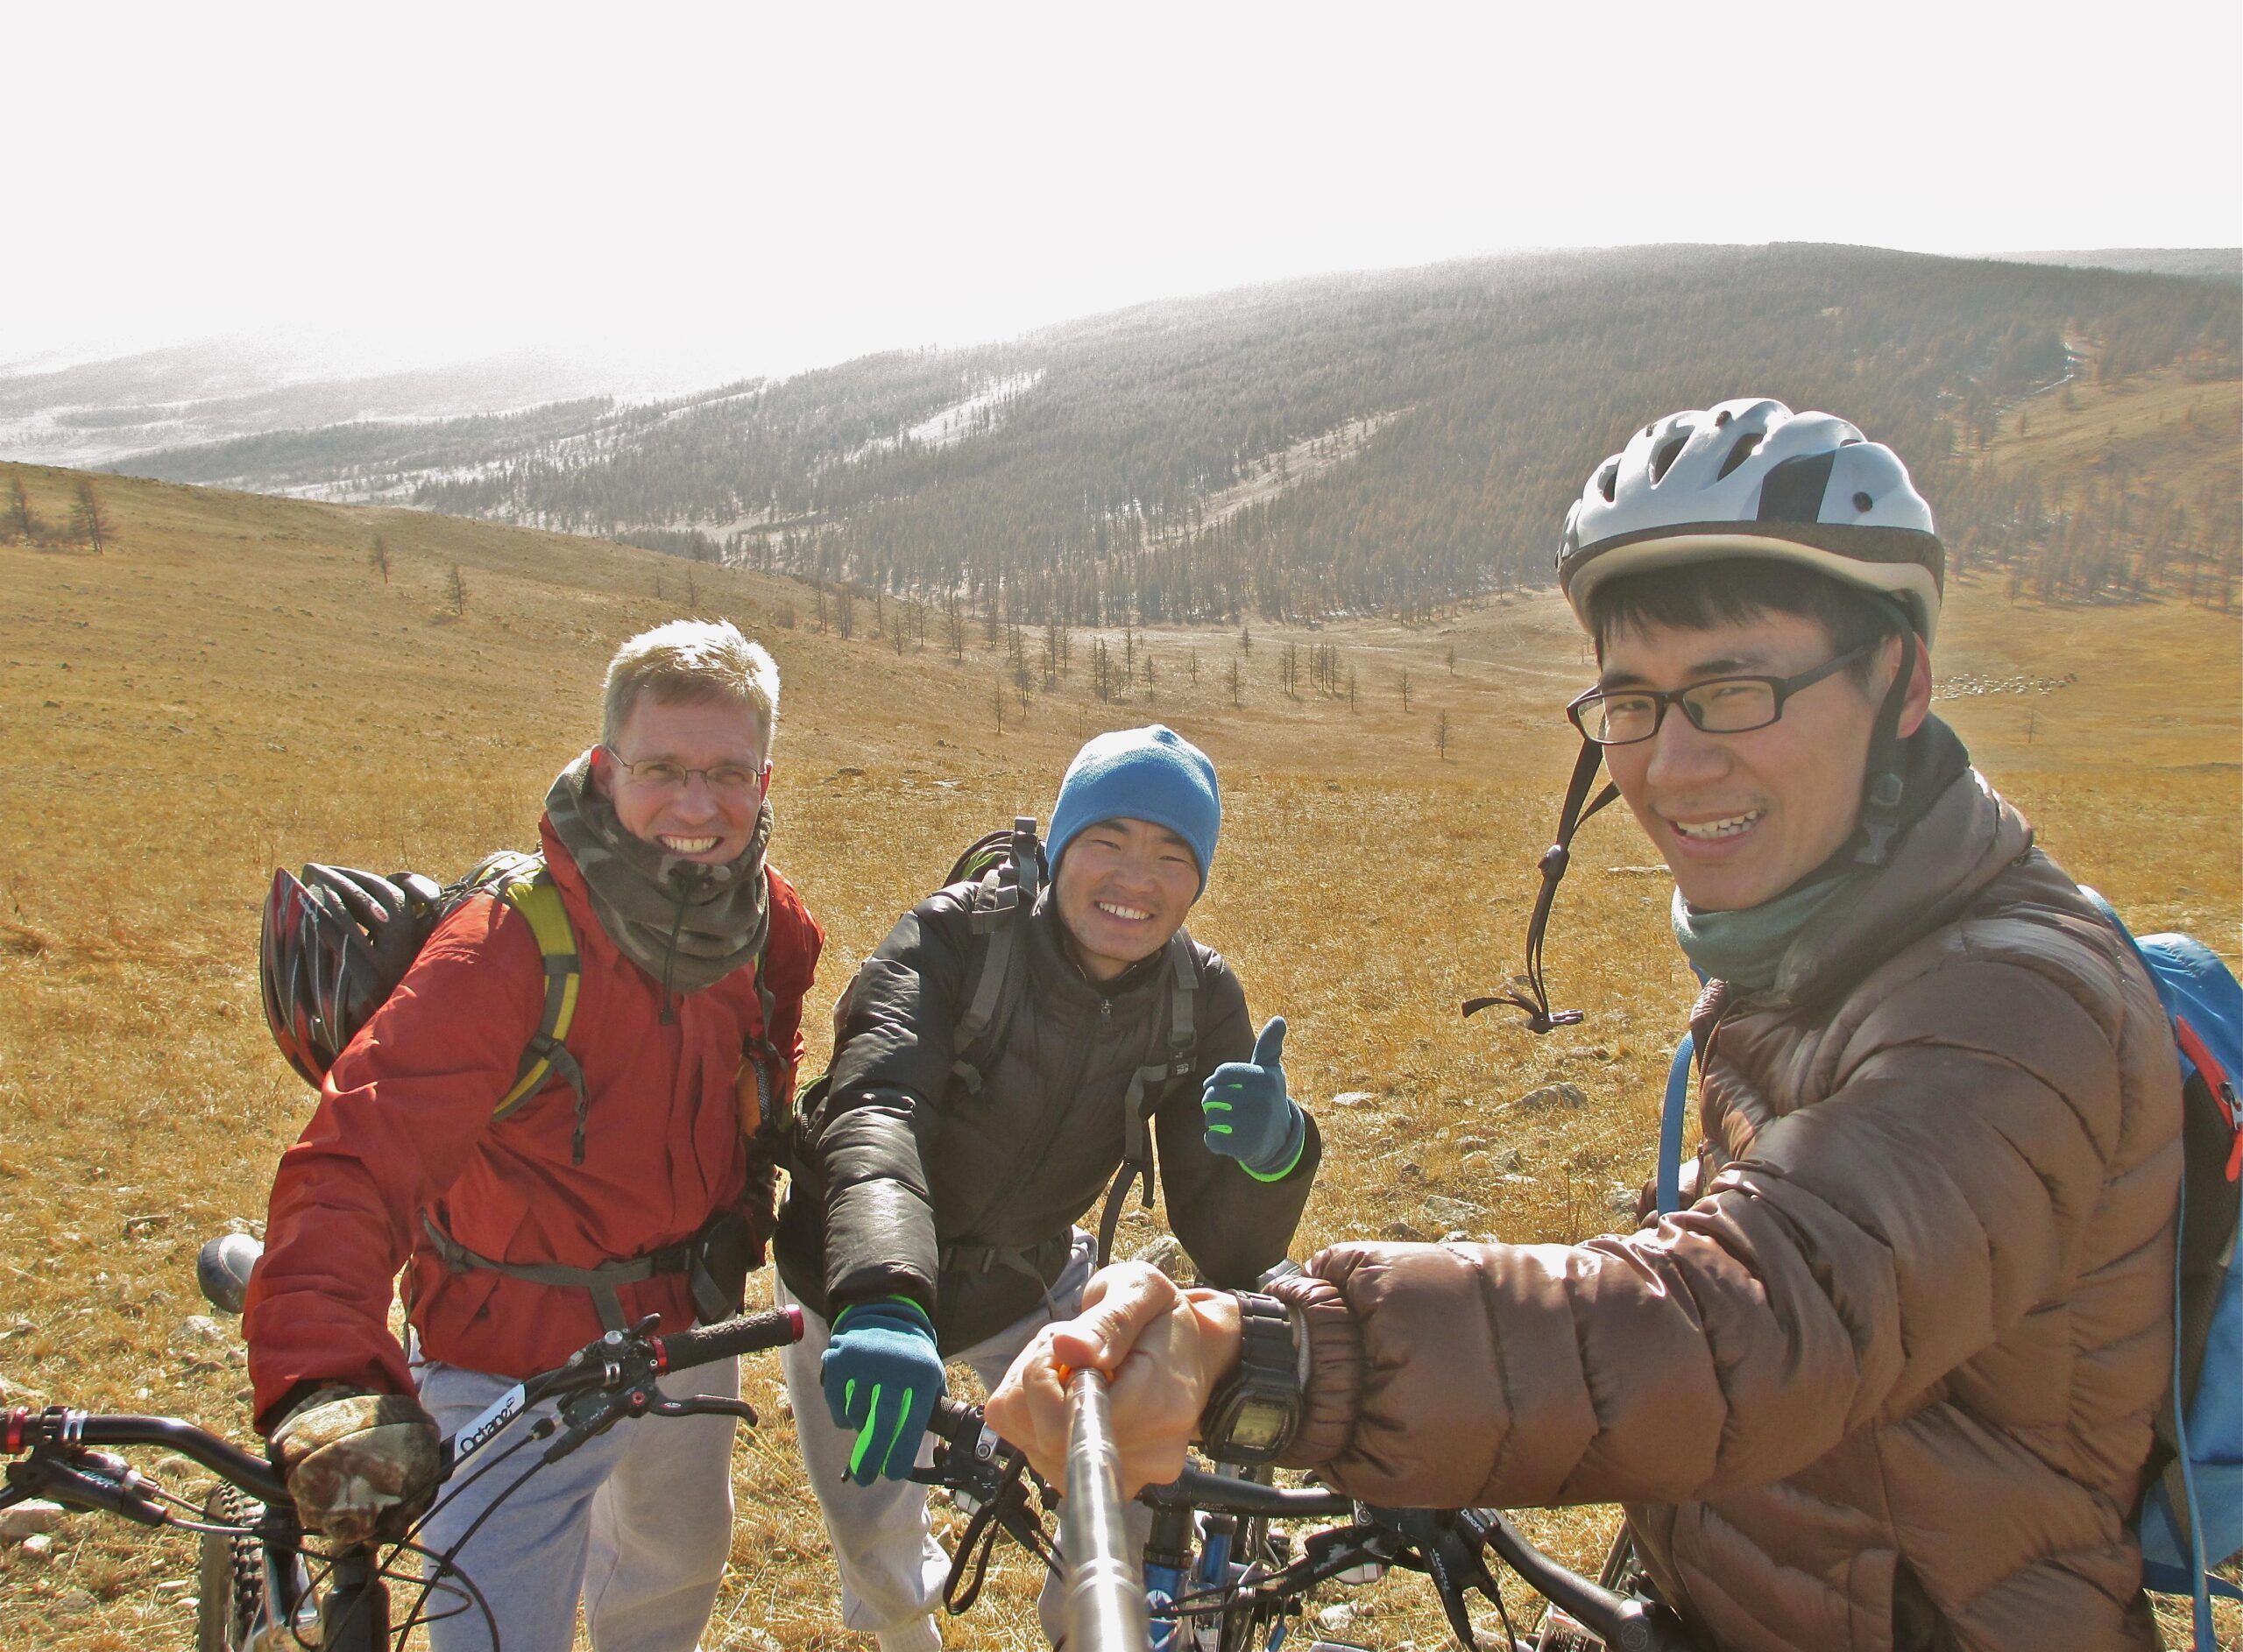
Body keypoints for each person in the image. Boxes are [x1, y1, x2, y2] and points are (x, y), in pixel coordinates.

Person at [990, 401, 2184, 1652]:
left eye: (1733, 691)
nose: (1668, 768)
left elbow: (1754, 1325)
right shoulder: (1818, 944)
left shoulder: (2019, 1006)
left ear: (1903, 682)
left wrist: (1275, 1354)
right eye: (1632, 703)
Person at [244, 619, 823, 1652]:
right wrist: (329, 1376)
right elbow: (356, 1152)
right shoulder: (508, 944)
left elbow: (755, 1087)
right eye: (663, 769)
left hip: (685, 1343)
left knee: (666, 1594)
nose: (698, 808)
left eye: (729, 773)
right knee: (498, 1632)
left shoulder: (769, 926)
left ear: (766, 778)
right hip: (504, 1359)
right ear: (607, 768)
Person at [773, 724, 1320, 1651]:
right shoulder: (950, 941)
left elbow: (1226, 1247)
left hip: (1027, 1280)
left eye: (1170, 855)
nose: (1134, 880)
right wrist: (882, 1296)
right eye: (1108, 841)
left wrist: (1276, 1155)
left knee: (1134, 1489)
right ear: (1060, 846)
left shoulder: (1198, 1000)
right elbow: (873, 1112)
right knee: (873, 1536)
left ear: (1199, 880)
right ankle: (906, 1633)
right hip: (852, 1282)